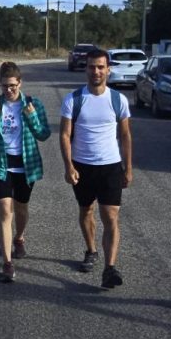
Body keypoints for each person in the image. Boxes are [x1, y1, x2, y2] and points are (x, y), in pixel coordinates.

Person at [60, 48, 133, 289]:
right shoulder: (73, 99)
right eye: (92, 67)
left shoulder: (118, 100)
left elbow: (125, 135)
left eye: (101, 67)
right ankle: (91, 250)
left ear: (108, 70)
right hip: (82, 166)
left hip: (110, 166)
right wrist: (69, 166)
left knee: (110, 216)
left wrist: (128, 168)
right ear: (86, 69)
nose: (96, 71)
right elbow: (65, 135)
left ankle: (110, 268)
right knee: (86, 211)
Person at [0, 62, 52, 283]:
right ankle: (7, 262)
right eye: (4, 86)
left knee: (21, 208)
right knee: (5, 210)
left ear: (20, 83)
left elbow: (44, 134)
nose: (9, 90)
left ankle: (19, 237)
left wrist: (32, 116)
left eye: (12, 86)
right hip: (1, 163)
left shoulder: (33, 104)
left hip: (26, 164)